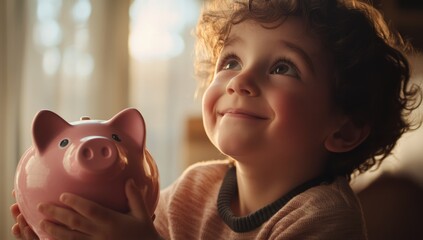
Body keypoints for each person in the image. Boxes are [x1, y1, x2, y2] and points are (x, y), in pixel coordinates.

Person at [11, 0, 421, 239]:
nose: (241, 79)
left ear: (345, 129)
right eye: (231, 60)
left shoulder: (324, 220)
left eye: (283, 67)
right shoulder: (194, 188)